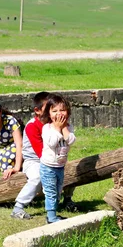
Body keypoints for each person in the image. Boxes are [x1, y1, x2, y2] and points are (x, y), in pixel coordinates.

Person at [10, 92, 78, 220]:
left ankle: (67, 200)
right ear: (39, 110)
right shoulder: (33, 126)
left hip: (55, 159)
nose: (57, 113)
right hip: (35, 160)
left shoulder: (57, 124)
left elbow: (69, 139)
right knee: (37, 177)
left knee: (71, 171)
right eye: (51, 109)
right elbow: (41, 151)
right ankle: (18, 207)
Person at [40, 94, 76, 224]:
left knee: (58, 190)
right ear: (49, 114)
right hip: (48, 167)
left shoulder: (69, 127)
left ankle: (53, 212)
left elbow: (71, 140)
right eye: (54, 111)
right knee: (50, 191)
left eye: (62, 110)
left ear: (68, 112)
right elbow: (52, 143)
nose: (58, 114)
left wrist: (64, 128)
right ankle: (51, 216)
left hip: (60, 166)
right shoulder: (47, 128)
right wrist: (57, 128)